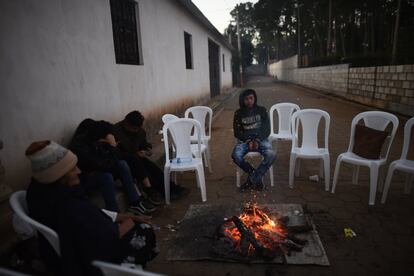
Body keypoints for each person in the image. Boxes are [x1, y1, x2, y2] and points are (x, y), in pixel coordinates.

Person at [25, 141, 158, 276]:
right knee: (144, 229)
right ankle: (129, 269)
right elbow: (103, 239)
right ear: (59, 176)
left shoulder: (40, 191)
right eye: (72, 169)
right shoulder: (69, 205)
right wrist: (130, 222)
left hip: (63, 249)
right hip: (90, 259)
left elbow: (94, 215)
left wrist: (129, 217)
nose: (79, 171)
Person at [70, 119, 157, 214]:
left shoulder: (93, 141)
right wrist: (112, 147)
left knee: (123, 164)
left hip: (99, 169)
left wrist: (110, 147)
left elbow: (113, 159)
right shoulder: (80, 146)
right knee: (106, 176)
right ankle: (115, 212)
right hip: (85, 180)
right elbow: (102, 165)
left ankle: (135, 202)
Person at [113, 111, 187, 200]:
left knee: (153, 168)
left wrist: (147, 150)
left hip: (138, 158)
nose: (136, 130)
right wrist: (135, 154)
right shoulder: (116, 132)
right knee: (144, 168)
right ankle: (162, 191)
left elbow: (144, 144)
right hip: (126, 161)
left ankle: (171, 187)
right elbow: (117, 152)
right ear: (126, 124)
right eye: (134, 128)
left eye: (137, 128)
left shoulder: (139, 131)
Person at [232, 89, 276, 191]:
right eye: (246, 99)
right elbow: (237, 132)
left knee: (271, 155)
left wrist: (257, 140)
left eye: (251, 98)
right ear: (242, 100)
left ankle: (251, 180)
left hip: (261, 140)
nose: (249, 101)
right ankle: (256, 176)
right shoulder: (238, 113)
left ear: (254, 98)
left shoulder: (262, 110)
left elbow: (267, 129)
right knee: (236, 155)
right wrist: (248, 140)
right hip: (244, 141)